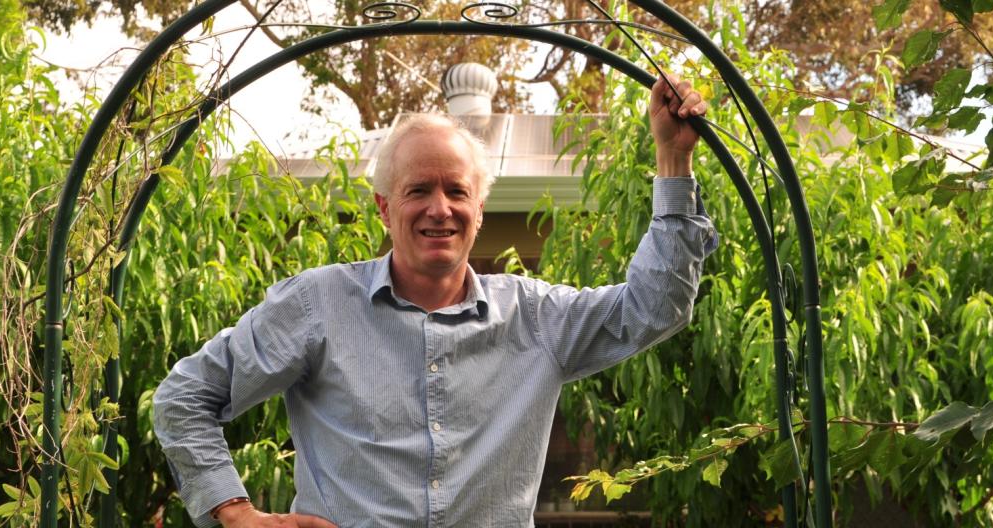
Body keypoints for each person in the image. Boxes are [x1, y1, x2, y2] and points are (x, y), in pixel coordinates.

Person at [152, 75, 714, 527]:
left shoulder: (537, 317)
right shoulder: (318, 305)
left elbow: (654, 308)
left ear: (480, 209)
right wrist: (236, 513)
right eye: (418, 190)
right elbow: (184, 398)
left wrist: (673, 159)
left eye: (456, 191)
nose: (439, 209)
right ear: (383, 207)